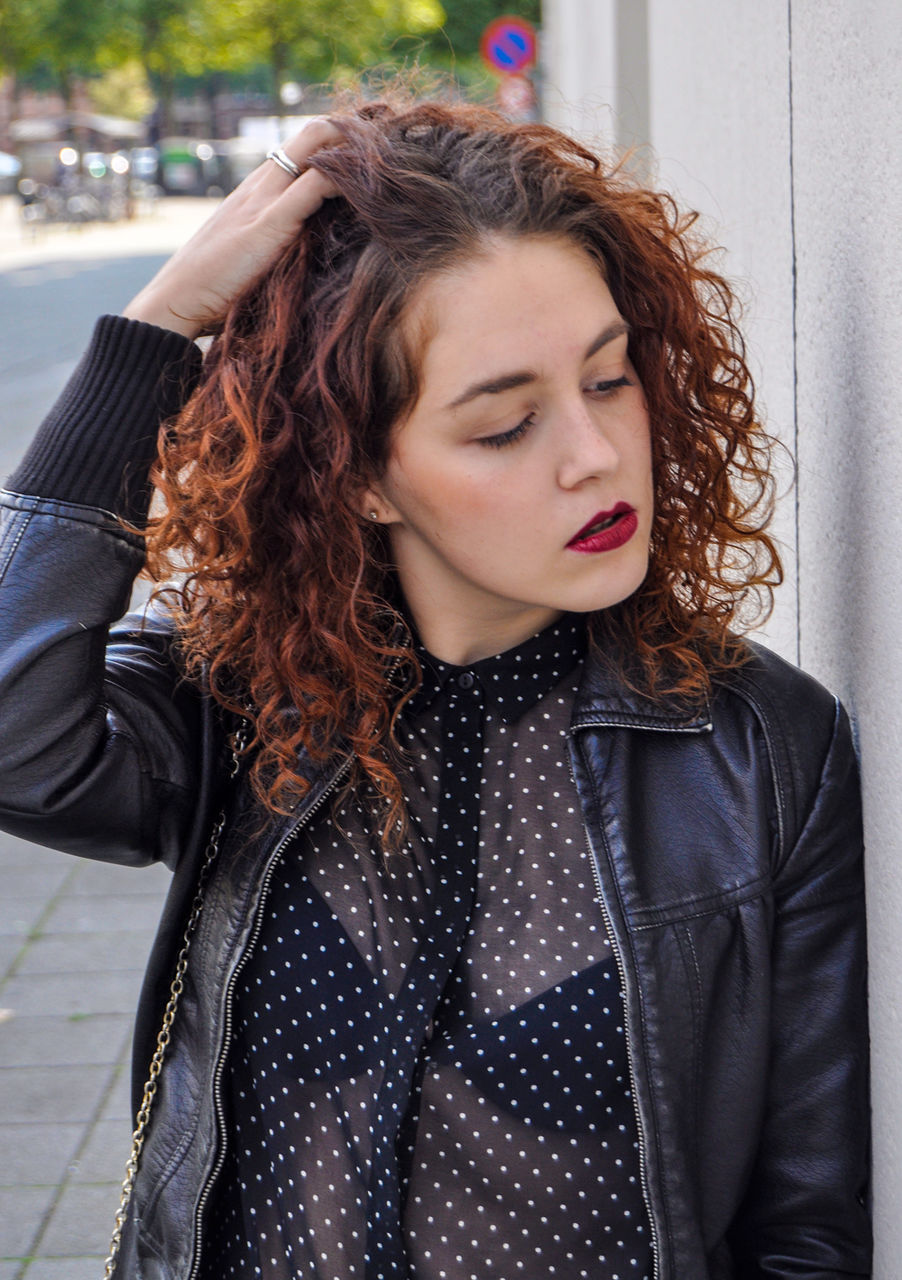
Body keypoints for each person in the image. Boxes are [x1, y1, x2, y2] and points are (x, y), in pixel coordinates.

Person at [0, 98, 869, 1280]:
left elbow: (804, 1219)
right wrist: (149, 335)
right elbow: (17, 738)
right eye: (505, 424)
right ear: (360, 477)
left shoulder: (760, 745)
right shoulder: (246, 695)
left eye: (609, 380)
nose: (594, 454)